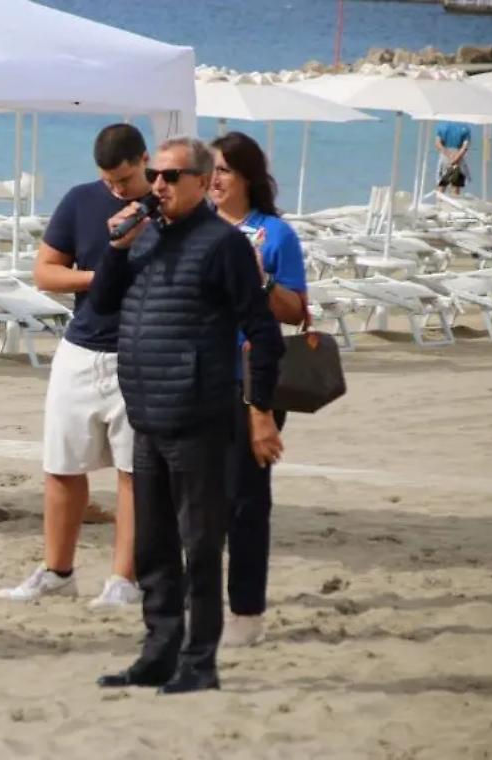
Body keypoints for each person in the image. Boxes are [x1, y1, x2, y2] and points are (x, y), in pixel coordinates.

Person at [90, 137, 285, 694]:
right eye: (155, 175)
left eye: (172, 177)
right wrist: (119, 248)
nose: (159, 186)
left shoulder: (222, 244)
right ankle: (158, 652)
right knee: (152, 546)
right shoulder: (144, 237)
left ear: (203, 182)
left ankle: (200, 662)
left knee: (199, 545)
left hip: (201, 415)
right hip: (147, 413)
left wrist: (261, 411)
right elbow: (102, 304)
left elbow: (263, 330)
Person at [0, 124, 150, 609]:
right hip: (81, 346)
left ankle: (124, 579)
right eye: (108, 180)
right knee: (61, 465)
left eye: (124, 179)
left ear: (145, 161)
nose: (117, 189)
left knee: (134, 471)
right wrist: (100, 276)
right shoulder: (82, 200)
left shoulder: (167, 206)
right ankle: (57, 570)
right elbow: (44, 272)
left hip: (143, 351)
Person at [210, 132, 307, 648]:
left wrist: (260, 281)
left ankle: (246, 612)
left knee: (246, 500)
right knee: (199, 501)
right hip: (197, 376)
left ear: (247, 176)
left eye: (225, 169)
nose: (216, 179)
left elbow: (297, 312)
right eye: (211, 169)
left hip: (254, 377)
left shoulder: (275, 234)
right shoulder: (193, 230)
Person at [435, 121, 471, 196]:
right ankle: (454, 205)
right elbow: (464, 147)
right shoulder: (465, 128)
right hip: (458, 156)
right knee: (455, 185)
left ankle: (439, 203)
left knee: (442, 183)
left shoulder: (442, 126)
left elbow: (438, 144)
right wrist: (456, 158)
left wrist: (448, 155)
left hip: (445, 155)